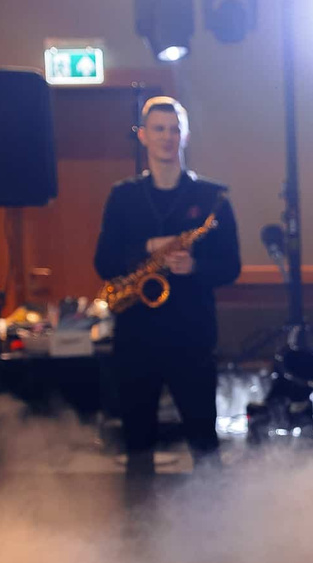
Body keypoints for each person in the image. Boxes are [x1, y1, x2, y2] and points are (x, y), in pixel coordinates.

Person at [93, 96, 243, 480]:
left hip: (192, 335)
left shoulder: (212, 198)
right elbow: (104, 262)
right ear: (143, 135)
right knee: (137, 445)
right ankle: (137, 514)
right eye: (158, 129)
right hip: (136, 336)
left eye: (174, 129)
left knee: (204, 442)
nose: (167, 137)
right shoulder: (123, 196)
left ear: (185, 136)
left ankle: (214, 513)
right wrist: (149, 247)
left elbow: (231, 266)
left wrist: (195, 266)